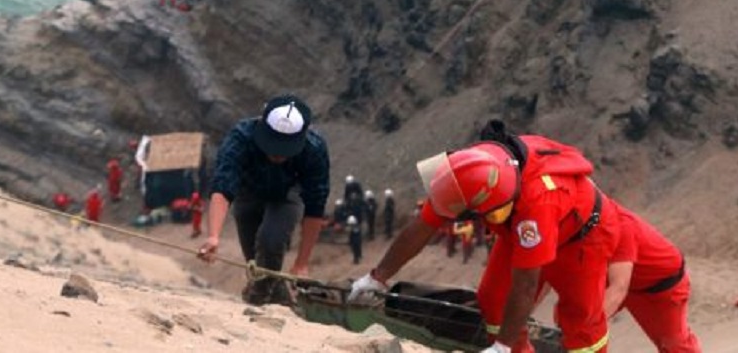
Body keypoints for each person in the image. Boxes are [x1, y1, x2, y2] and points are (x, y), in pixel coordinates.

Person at [349, 122, 621, 353]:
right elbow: (423, 226)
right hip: (527, 222)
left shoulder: (535, 206)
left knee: (582, 322)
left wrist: (501, 346)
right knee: (493, 297)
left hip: (582, 236)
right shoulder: (467, 175)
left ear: (490, 208)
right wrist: (377, 277)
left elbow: (526, 285)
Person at [197, 95, 330, 306]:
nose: (277, 154)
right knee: (256, 262)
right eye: (272, 144)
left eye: (284, 148)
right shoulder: (241, 137)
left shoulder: (314, 148)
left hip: (287, 194)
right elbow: (223, 187)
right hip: (247, 192)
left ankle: (259, 300)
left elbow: (315, 205)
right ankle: (278, 299)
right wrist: (213, 236)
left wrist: (301, 263)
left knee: (271, 241)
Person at [602, 204, 700, 353]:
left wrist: (587, 325)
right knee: (572, 318)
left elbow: (618, 288)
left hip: (663, 287)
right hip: (628, 281)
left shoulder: (620, 225)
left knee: (674, 346)